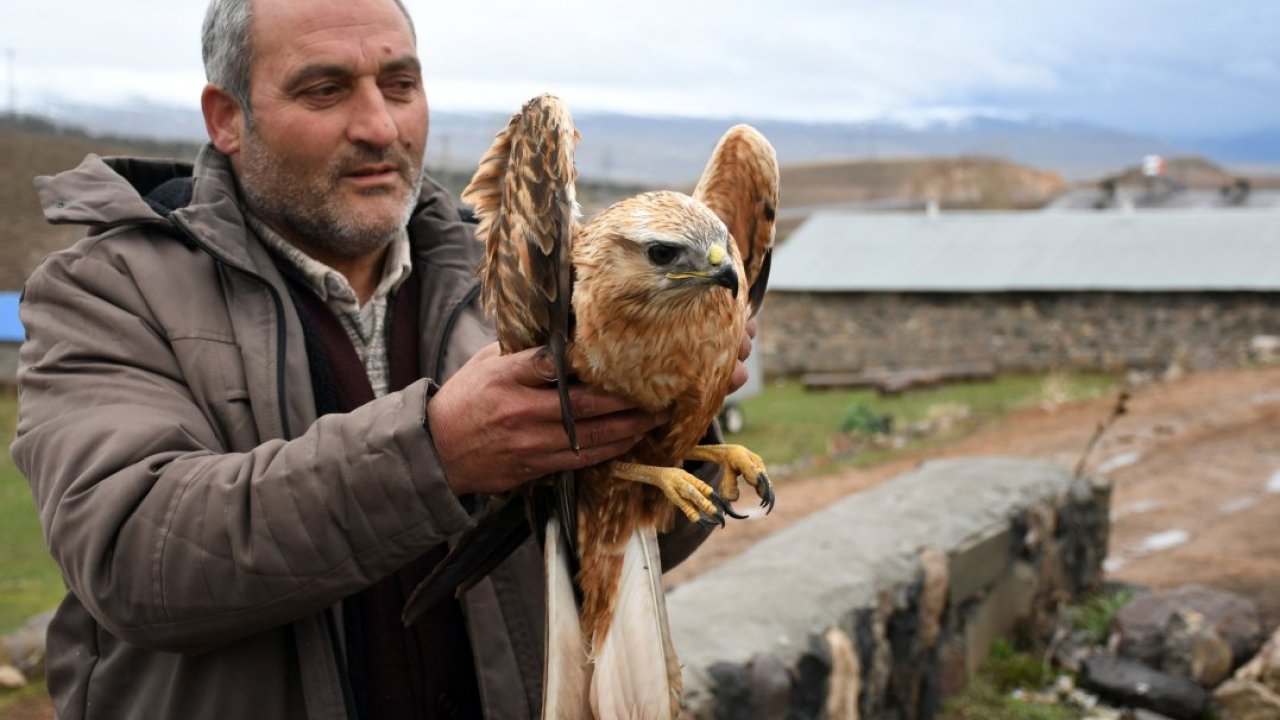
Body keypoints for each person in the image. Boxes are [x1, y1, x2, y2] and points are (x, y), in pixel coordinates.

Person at [12, 0, 753, 718]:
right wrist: (437, 453)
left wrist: (671, 418)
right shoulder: (106, 290)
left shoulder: (516, 273)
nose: (379, 126)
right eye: (324, 90)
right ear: (227, 118)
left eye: (400, 85)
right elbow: (136, 561)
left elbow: (619, 543)